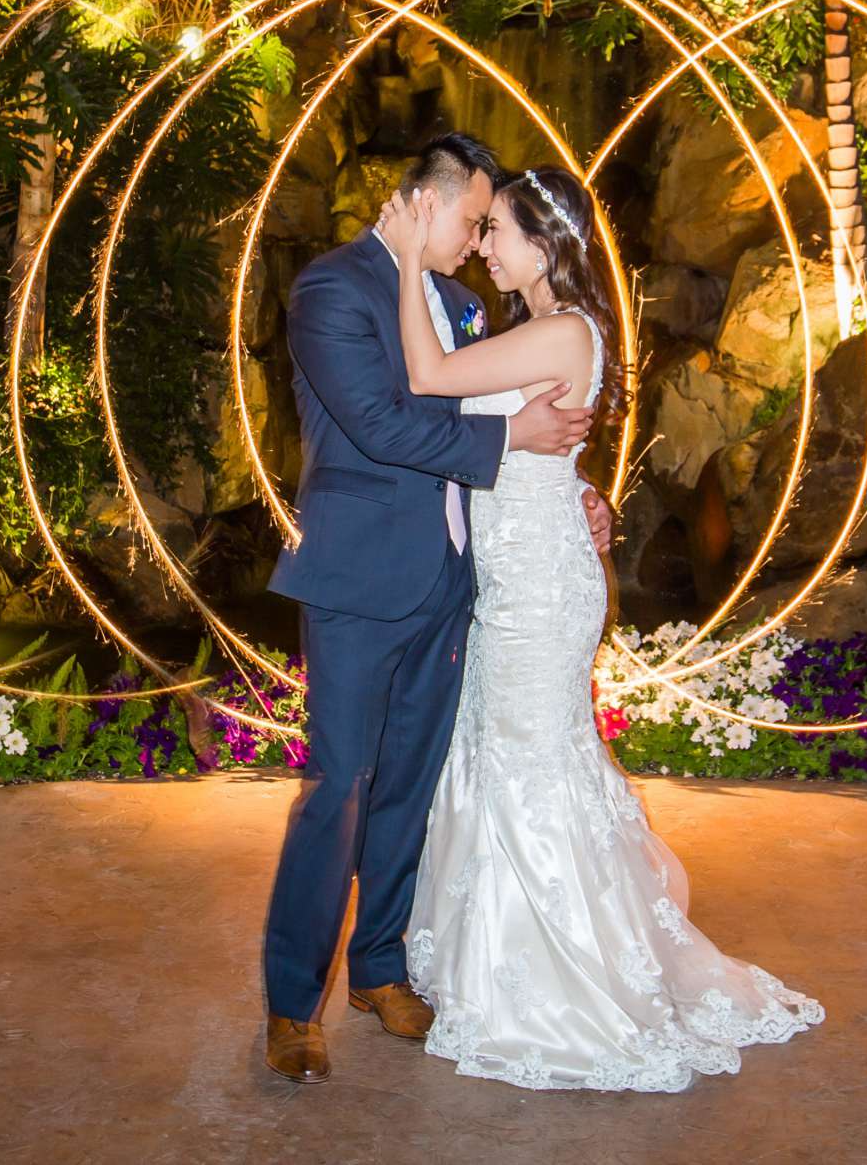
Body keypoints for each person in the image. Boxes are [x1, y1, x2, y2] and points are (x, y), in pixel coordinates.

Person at [377, 162, 824, 1092]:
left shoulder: (559, 330)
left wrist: (409, 260)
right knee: (514, 757)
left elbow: (427, 375)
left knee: (532, 764)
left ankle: (564, 978)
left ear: (543, 245)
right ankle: (500, 957)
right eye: (484, 227)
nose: (486, 243)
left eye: (498, 228)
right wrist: (585, 488)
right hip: (518, 579)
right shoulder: (544, 330)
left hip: (538, 592)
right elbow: (517, 449)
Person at [260, 132, 613, 1085]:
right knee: (338, 788)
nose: (476, 244)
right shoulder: (333, 288)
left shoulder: (459, 305)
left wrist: (573, 485)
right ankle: (294, 1004)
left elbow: (501, 409)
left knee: (412, 785)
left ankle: (381, 967)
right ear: (424, 202)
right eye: (470, 221)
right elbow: (380, 422)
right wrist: (514, 445)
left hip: (455, 582)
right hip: (358, 582)